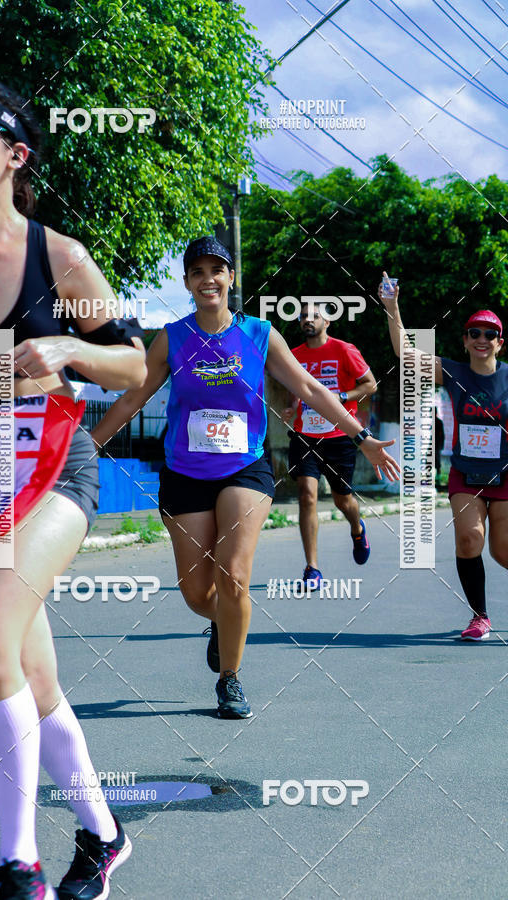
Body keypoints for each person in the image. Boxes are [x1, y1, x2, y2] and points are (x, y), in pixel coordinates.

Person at [0, 81, 147, 899]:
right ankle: (104, 835)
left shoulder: (60, 257)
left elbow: (133, 364)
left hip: (53, 467)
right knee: (29, 677)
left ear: (16, 155)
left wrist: (71, 352)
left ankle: (22, 867)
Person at [92, 236, 400, 720]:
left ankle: (229, 678)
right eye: (197, 272)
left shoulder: (260, 334)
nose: (208, 279)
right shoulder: (171, 338)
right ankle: (223, 622)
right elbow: (133, 398)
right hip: (185, 474)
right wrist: (84, 448)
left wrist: (359, 435)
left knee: (233, 574)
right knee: (198, 594)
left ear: (231, 278)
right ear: (187, 282)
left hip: (244, 469)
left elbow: (309, 387)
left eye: (217, 270)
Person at [379, 273, 507, 641]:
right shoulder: (453, 371)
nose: (482, 339)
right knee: (469, 539)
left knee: (503, 550)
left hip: (505, 475)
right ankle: (480, 617)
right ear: (465, 340)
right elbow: (405, 354)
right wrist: (392, 307)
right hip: (466, 473)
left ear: (500, 343)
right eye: (474, 333)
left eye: (490, 334)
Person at [282, 302, 377, 588]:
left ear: (328, 322)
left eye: (315, 316)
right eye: (303, 316)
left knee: (342, 500)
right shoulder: (293, 355)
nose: (307, 320)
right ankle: (312, 568)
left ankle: (357, 528)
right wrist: (291, 407)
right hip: (305, 436)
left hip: (339, 437)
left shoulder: (344, 350)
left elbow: (370, 384)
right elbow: (296, 391)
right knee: (307, 495)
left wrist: (342, 396)